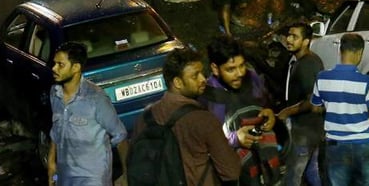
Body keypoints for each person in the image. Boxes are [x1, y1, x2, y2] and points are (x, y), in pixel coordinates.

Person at [132, 48, 241, 186]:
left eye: (202, 73)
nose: (203, 79)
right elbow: (231, 171)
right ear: (177, 82)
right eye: (195, 76)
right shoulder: (203, 119)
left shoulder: (145, 117)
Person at [47, 42, 128, 186]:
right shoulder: (55, 93)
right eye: (54, 63)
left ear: (76, 67)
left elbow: (120, 136)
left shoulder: (96, 99)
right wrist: (52, 163)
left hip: (93, 178)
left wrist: (126, 176)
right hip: (65, 175)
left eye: (61, 65)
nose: (54, 68)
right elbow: (55, 131)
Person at [310, 33, 369, 186]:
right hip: (364, 146)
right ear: (360, 53)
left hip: (335, 146)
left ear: (340, 51)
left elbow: (315, 108)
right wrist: (367, 117)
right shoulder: (367, 82)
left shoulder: (322, 78)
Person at [201, 36, 278, 179]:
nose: (240, 73)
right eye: (231, 69)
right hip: (236, 171)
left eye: (242, 65)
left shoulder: (252, 77)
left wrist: (270, 113)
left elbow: (265, 103)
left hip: (266, 159)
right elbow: (208, 139)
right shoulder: (209, 95)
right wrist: (235, 138)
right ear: (215, 68)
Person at [277, 23, 325, 186]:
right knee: (311, 172)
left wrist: (287, 112)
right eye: (288, 35)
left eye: (294, 37)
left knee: (292, 176)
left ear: (306, 41)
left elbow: (312, 101)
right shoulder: (307, 60)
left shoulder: (306, 64)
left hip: (304, 132)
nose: (289, 40)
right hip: (312, 130)